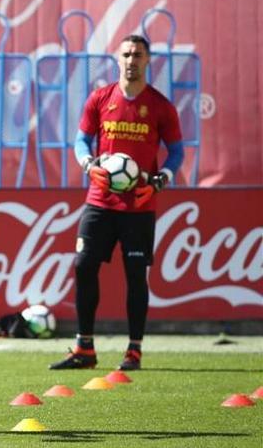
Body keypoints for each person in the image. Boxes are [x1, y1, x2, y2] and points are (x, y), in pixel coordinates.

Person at [50, 35, 184, 371]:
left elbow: (177, 150)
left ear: (148, 60)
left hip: (139, 205)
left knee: (137, 275)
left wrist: (160, 180)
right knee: (83, 265)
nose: (131, 60)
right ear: (117, 58)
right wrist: (89, 165)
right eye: (126, 54)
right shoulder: (100, 98)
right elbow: (81, 140)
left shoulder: (160, 105)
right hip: (100, 201)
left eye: (138, 54)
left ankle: (134, 350)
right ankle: (85, 349)